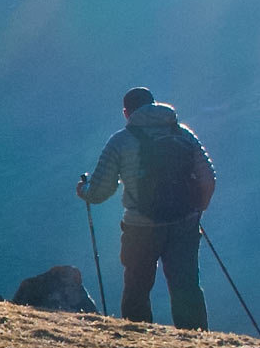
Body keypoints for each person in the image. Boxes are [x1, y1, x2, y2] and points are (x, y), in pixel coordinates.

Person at [77, 86, 216, 330]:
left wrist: (83, 190)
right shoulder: (183, 134)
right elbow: (208, 179)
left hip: (141, 226)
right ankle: (197, 341)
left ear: (126, 113)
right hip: (184, 222)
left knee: (137, 286)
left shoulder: (120, 141)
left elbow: (100, 192)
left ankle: (138, 339)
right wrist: (195, 210)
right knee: (186, 285)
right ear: (154, 104)